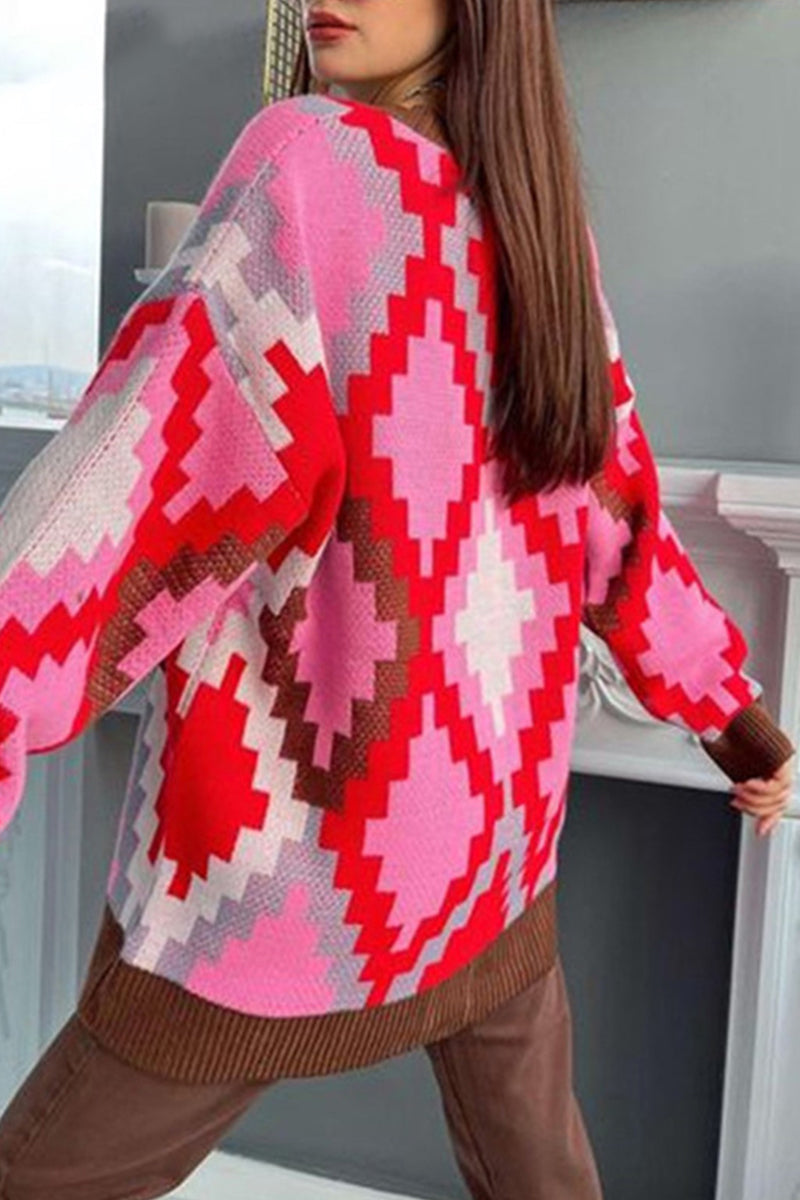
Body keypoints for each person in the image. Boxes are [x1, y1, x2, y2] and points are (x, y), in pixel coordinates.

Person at [0, 1, 795, 1197]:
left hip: (279, 878)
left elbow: (123, 479)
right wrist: (732, 718)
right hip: (491, 851)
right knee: (541, 1175)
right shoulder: (537, 226)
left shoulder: (303, 162)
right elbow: (615, 517)